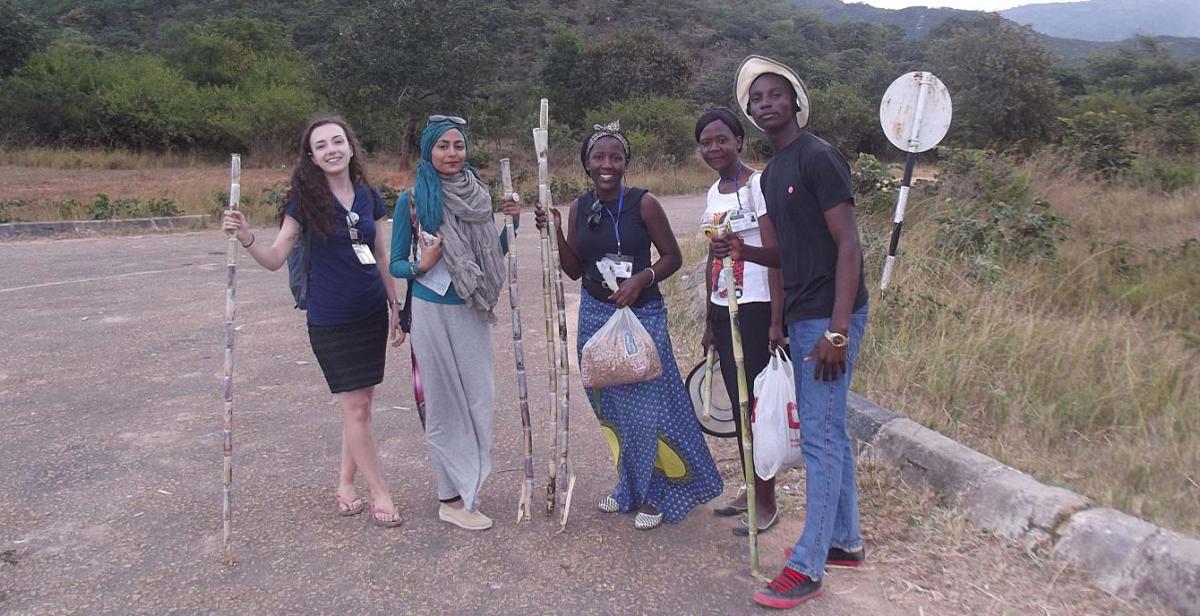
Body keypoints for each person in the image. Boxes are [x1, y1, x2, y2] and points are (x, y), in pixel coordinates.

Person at [714, 56, 871, 608]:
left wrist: (837, 330)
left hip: (831, 316)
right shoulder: (775, 171)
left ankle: (807, 564)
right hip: (803, 315)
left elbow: (848, 245)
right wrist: (744, 251)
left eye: (775, 94)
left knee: (823, 438)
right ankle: (845, 542)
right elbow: (784, 253)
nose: (765, 104)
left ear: (795, 102)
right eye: (756, 99)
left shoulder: (819, 157)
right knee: (831, 431)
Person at [534, 121, 723, 530]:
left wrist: (642, 279)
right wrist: (553, 230)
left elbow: (672, 257)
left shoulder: (644, 204)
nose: (607, 164)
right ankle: (629, 487)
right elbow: (572, 269)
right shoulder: (580, 208)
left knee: (648, 412)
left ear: (625, 164)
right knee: (612, 411)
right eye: (599, 157)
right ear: (586, 163)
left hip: (642, 318)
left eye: (615, 157)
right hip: (596, 317)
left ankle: (660, 493)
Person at [222, 116, 405, 527]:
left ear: (351, 146)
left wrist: (396, 305)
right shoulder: (302, 203)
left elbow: (379, 254)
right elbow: (273, 260)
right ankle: (380, 492)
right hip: (332, 318)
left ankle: (345, 484)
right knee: (355, 407)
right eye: (321, 145)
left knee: (360, 407)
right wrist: (246, 236)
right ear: (312, 156)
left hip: (371, 312)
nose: (331, 149)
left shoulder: (369, 196)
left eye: (338, 141)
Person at [388, 115, 521, 531]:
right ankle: (450, 496)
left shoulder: (478, 195)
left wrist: (511, 224)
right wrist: (420, 264)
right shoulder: (412, 201)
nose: (451, 153)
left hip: (472, 307)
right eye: (442, 146)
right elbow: (394, 262)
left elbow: (492, 256)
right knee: (443, 403)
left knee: (479, 398)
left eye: (458, 145)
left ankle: (473, 488)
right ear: (429, 150)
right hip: (431, 309)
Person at [695, 108, 782, 535]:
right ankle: (750, 489)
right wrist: (709, 317)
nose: (714, 148)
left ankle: (767, 502)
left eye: (721, 140)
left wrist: (776, 321)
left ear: (739, 141)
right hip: (724, 307)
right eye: (706, 143)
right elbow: (715, 257)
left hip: (757, 308)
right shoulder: (714, 192)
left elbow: (778, 254)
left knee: (758, 410)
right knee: (739, 405)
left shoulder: (759, 185)